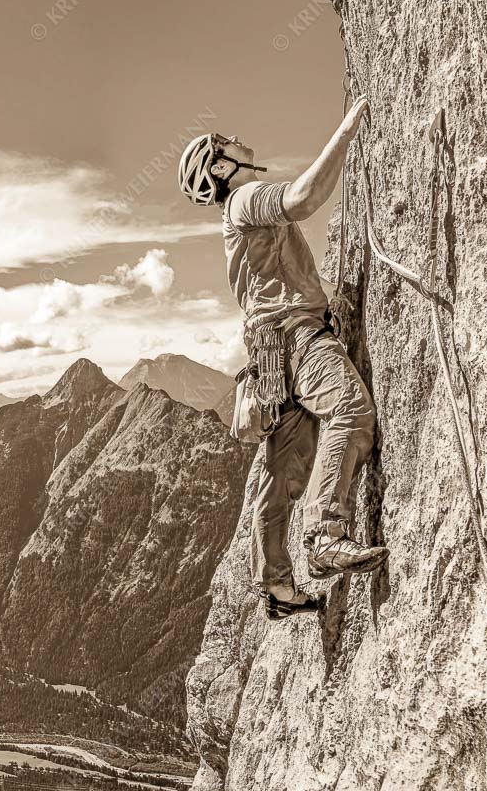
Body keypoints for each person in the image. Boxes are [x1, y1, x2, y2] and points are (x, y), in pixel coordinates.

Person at [178, 98, 387, 621]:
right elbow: (301, 199)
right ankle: (325, 532)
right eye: (224, 143)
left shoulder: (233, 219)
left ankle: (275, 584)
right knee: (350, 411)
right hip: (297, 336)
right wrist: (346, 132)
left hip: (270, 357)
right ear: (222, 167)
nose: (236, 140)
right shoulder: (245, 198)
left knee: (281, 471)